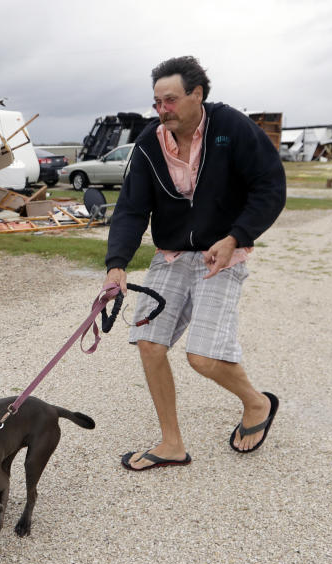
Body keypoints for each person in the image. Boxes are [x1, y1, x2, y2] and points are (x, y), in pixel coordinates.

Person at [103, 56, 286, 470]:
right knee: (149, 346)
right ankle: (171, 444)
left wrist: (236, 236)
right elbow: (131, 208)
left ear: (197, 94)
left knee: (203, 358)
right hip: (170, 257)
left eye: (169, 100)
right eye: (156, 102)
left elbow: (269, 187)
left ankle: (257, 404)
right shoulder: (150, 143)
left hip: (220, 254)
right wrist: (117, 263)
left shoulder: (231, 128)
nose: (162, 109)